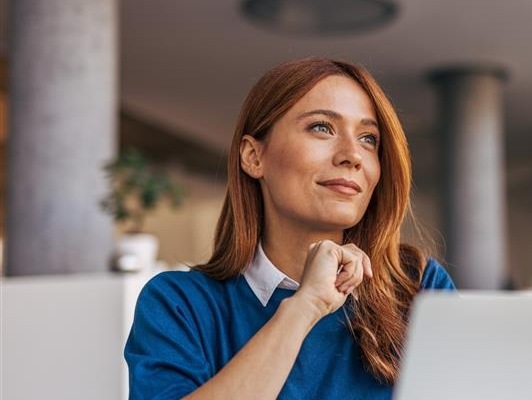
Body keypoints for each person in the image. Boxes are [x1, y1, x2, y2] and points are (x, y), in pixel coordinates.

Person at [124, 58, 456, 400]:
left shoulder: (417, 287)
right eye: (322, 127)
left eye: (368, 138)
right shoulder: (179, 304)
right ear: (254, 157)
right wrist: (304, 307)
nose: (353, 155)